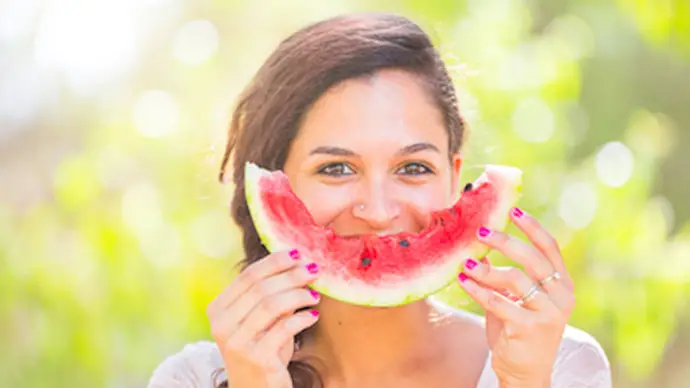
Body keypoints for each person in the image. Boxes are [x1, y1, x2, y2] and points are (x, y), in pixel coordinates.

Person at [147, 12, 611, 388]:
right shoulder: (194, 380)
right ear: (275, 185)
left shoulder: (561, 366)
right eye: (336, 169)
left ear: (454, 178)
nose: (378, 211)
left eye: (413, 169)